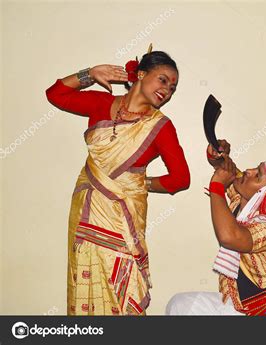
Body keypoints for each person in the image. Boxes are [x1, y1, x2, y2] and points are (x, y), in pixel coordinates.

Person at [46, 47, 190, 315]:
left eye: (173, 87)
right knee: (85, 283)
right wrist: (89, 74)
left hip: (122, 221)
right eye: (163, 79)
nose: (167, 90)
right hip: (87, 212)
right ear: (141, 74)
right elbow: (55, 94)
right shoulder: (101, 104)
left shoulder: (160, 126)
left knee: (121, 288)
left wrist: (137, 183)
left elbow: (180, 179)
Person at [166, 142, 266, 316]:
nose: (249, 171)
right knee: (180, 305)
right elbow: (231, 173)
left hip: (261, 311)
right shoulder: (243, 200)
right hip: (235, 303)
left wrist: (217, 186)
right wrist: (218, 157)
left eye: (257, 175)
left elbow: (229, 236)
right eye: (256, 168)